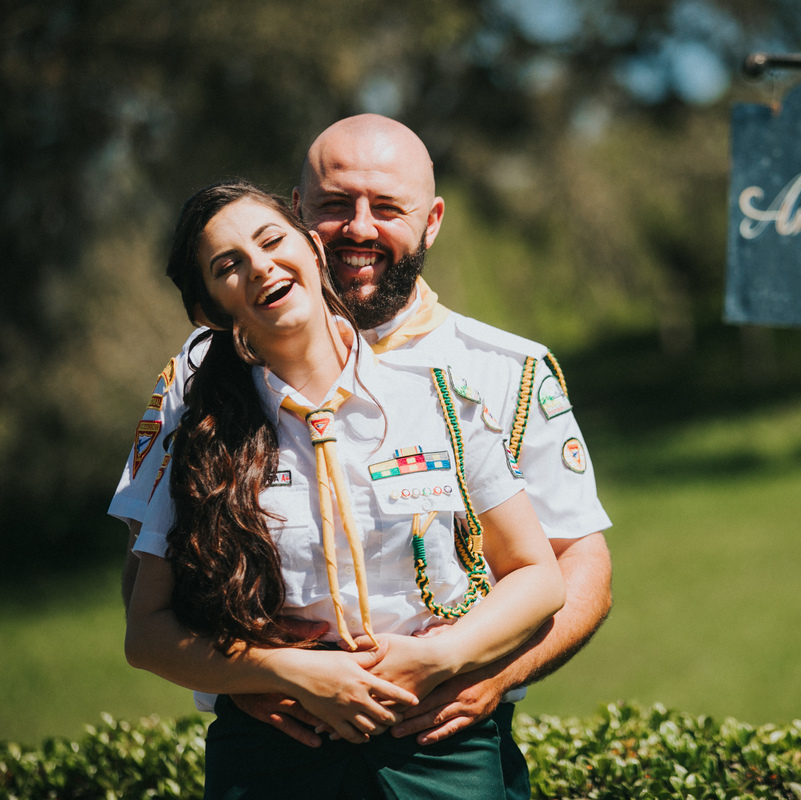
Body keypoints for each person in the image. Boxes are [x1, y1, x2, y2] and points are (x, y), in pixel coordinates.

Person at [111, 114, 612, 792]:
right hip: (274, 752)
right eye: (336, 204)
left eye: (388, 207)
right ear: (300, 215)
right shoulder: (199, 383)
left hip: (439, 741)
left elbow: (571, 566)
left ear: (432, 221)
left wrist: (482, 673)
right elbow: (150, 588)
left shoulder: (490, 374)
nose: (360, 228)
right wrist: (253, 676)